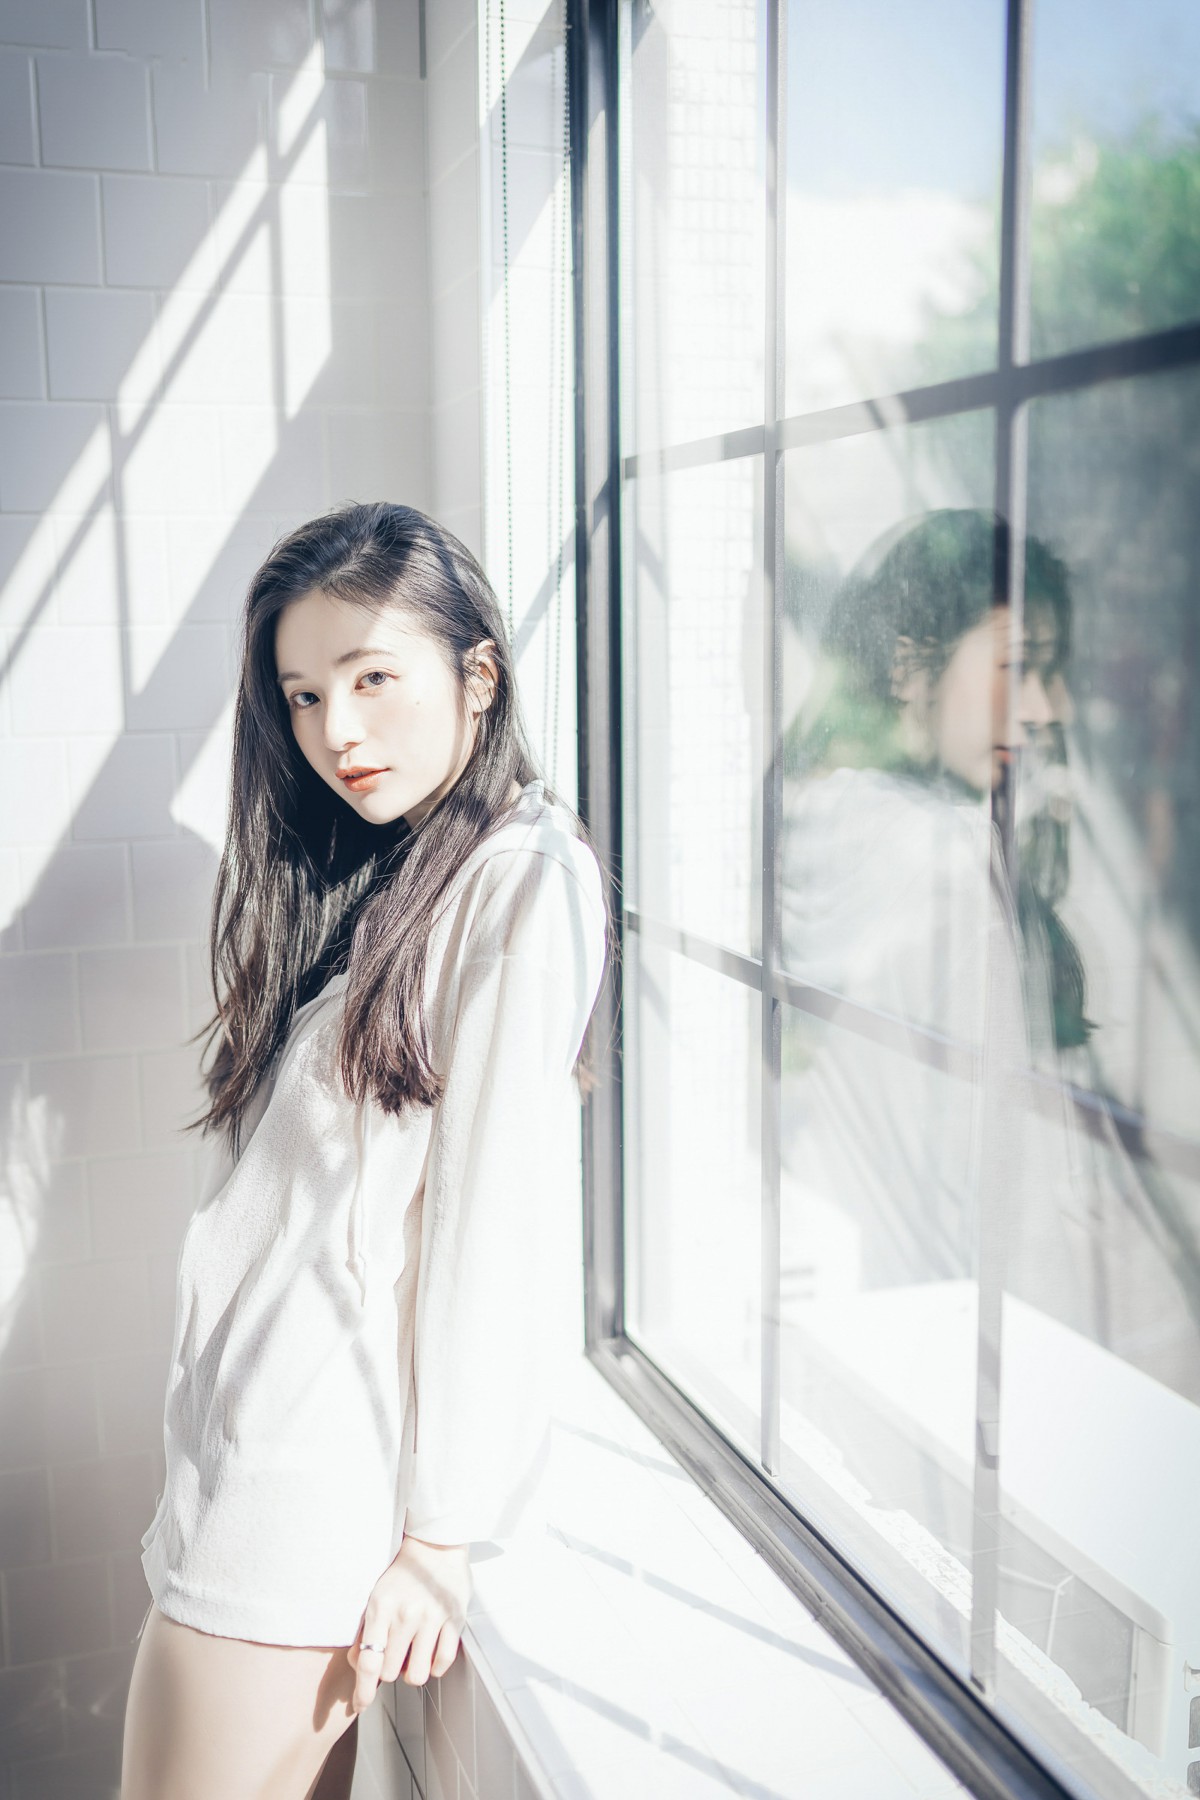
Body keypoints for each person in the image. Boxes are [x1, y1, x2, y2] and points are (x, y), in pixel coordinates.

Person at [119, 502, 612, 1800]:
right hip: (252, 1477)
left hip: (298, 1510)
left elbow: (496, 1232)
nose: (336, 729)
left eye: (372, 678)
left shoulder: (525, 879)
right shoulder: (399, 877)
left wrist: (442, 1540)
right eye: (303, 696)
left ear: (479, 674)